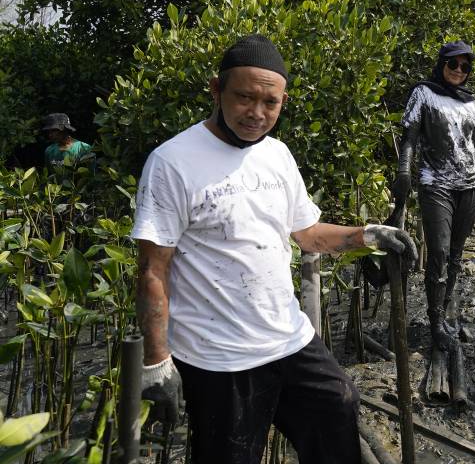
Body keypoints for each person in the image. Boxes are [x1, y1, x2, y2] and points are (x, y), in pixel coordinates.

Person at [132, 34, 418, 464]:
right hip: (219, 357)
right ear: (216, 89)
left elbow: (306, 234)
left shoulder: (278, 155)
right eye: (245, 98)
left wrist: (368, 235)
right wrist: (157, 362)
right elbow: (153, 270)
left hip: (288, 338)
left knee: (338, 406)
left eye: (271, 103)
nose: (257, 114)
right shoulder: (173, 162)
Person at [392, 40, 475, 351]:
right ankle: (435, 324)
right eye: (453, 64)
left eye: (465, 67)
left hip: (470, 184)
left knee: (455, 256)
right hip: (435, 184)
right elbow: (408, 137)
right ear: (442, 64)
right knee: (438, 252)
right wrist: (404, 172)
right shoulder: (423, 93)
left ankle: (444, 314)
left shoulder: (470, 102)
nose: (458, 71)